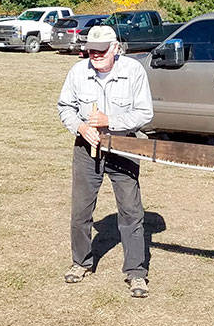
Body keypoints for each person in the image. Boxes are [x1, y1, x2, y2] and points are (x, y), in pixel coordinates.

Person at [56, 25, 155, 297]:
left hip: (123, 146)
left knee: (131, 211)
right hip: (86, 147)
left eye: (101, 50)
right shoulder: (78, 71)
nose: (95, 55)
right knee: (80, 211)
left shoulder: (133, 71)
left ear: (115, 48)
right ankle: (81, 262)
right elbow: (65, 107)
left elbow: (144, 113)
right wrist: (81, 127)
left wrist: (110, 121)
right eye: (91, 50)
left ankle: (135, 273)